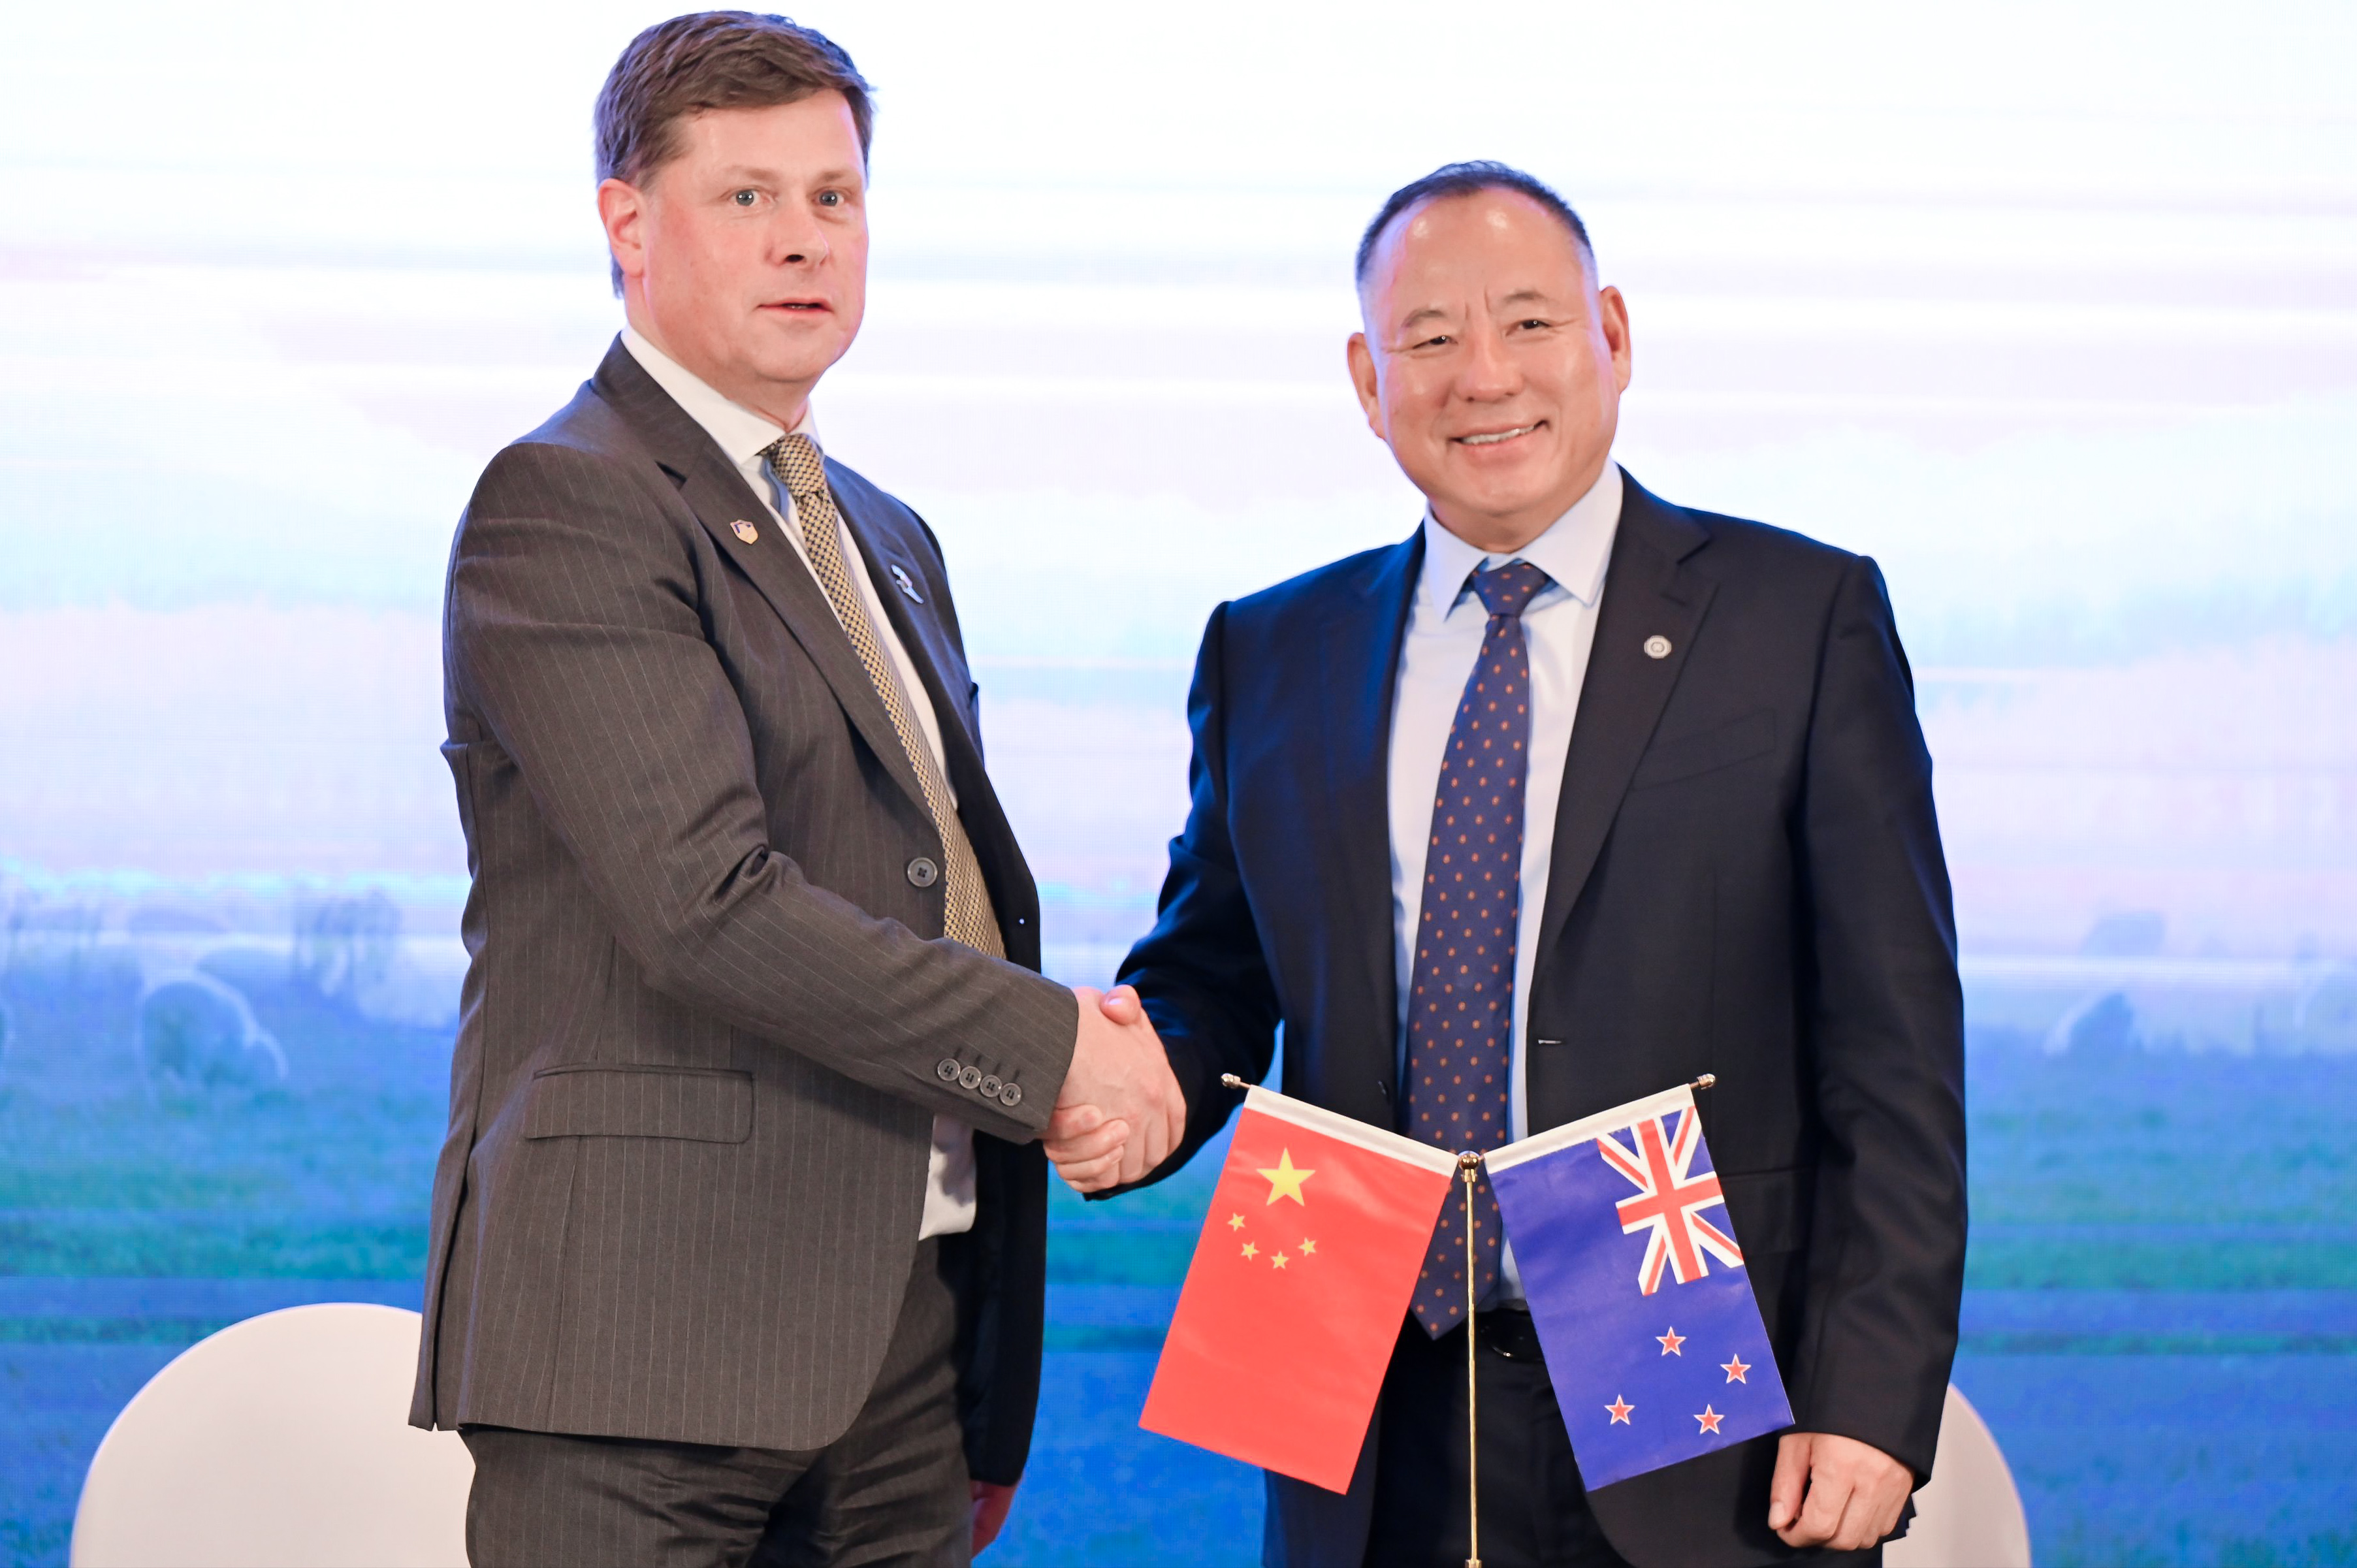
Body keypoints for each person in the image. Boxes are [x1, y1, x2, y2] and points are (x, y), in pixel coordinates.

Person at [1050, 163, 1966, 1566]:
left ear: (1612, 334)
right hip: (1358, 1384)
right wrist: (1133, 1089)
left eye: (1529, 322)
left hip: (1691, 1383)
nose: (1483, 374)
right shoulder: (1271, 648)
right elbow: (1215, 973)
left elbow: (1891, 1049)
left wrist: (1868, 1395)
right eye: (1429, 337)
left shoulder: (1797, 618)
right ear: (1368, 381)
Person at [408, 14, 1181, 1565]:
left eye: (833, 197)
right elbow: (706, 906)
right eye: (747, 197)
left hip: (898, 1345)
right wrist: (1055, 1054)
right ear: (628, 225)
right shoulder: (566, 500)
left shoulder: (882, 532)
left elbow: (929, 884)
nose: (804, 239)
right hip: (643, 1349)